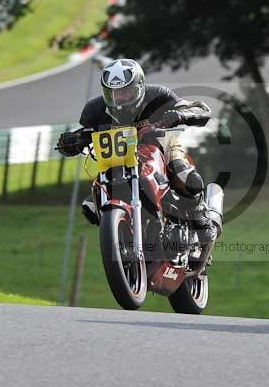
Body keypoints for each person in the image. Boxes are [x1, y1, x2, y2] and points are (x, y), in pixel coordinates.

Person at [56, 58, 217, 247]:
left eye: (126, 92)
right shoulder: (94, 110)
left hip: (161, 147)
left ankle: (201, 220)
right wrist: (70, 142)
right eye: (113, 93)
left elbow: (201, 109)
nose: (120, 98)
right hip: (118, 161)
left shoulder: (158, 95)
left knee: (184, 175)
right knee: (91, 207)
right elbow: (79, 137)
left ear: (139, 86)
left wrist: (181, 115)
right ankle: (126, 237)